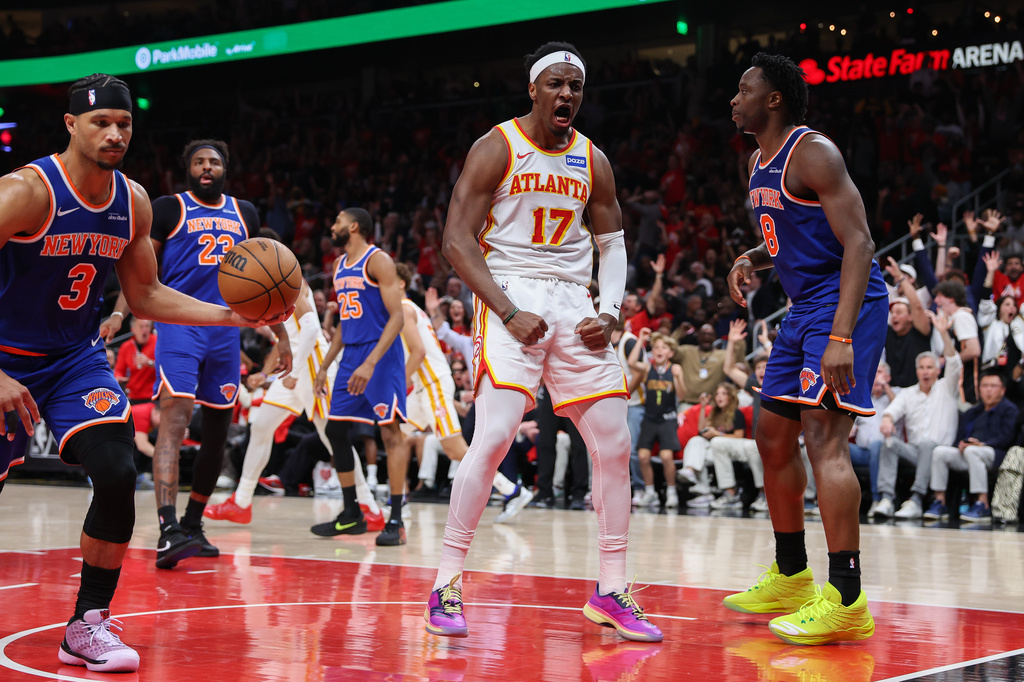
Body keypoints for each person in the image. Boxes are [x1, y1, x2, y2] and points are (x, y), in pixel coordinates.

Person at [0, 74, 287, 673]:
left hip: (73, 359)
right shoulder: (26, 191)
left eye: (124, 123)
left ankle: (87, 625)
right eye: (100, 121)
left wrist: (238, 315)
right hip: (5, 358)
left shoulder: (131, 200)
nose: (114, 133)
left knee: (115, 466)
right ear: (71, 125)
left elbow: (149, 293)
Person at [424, 41, 662, 643]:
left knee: (613, 441)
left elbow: (611, 246)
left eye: (575, 86)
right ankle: (447, 581)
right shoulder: (496, 146)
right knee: (497, 433)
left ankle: (612, 590)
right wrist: (505, 310)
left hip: (574, 300)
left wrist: (610, 314)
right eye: (555, 84)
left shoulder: (593, 159)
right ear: (533, 89)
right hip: (509, 292)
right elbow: (457, 239)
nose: (567, 95)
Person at [725, 54, 888, 645]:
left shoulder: (813, 152)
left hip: (847, 305)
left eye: (744, 89)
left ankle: (846, 596)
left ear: (773, 99)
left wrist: (842, 336)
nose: (734, 98)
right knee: (770, 436)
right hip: (803, 308)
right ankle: (792, 574)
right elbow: (797, 235)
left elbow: (860, 243)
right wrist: (754, 258)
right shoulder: (756, 162)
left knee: (824, 440)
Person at [104, 138, 292, 570]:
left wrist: (281, 336)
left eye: (213, 162)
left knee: (219, 430)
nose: (206, 168)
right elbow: (139, 272)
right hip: (179, 326)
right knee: (175, 417)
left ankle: (193, 524)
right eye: (199, 162)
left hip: (226, 331)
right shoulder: (169, 208)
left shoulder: (245, 212)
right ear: (188, 169)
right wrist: (120, 313)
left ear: (225, 169)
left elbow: (265, 283)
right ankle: (168, 529)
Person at [204, 230, 383, 530]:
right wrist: (266, 372)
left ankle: (369, 507)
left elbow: (311, 328)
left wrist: (298, 373)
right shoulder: (269, 283)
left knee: (332, 437)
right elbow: (286, 338)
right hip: (294, 367)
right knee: (261, 427)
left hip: (312, 365)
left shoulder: (288, 275)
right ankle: (242, 501)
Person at [394, 263, 530, 521]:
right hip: (423, 388)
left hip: (433, 385)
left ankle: (511, 490)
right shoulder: (407, 310)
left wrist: (397, 385)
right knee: (396, 437)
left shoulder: (404, 309)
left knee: (455, 448)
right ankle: (398, 502)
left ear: (400, 283)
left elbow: (418, 352)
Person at [311, 207, 411, 547]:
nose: (332, 225)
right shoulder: (339, 266)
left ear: (353, 227)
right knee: (336, 428)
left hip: (380, 356)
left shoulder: (378, 260)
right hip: (352, 352)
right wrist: (325, 366)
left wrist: (369, 363)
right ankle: (352, 513)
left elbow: (397, 317)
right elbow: (344, 324)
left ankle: (395, 520)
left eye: (337, 221)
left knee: (390, 434)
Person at [875, 315, 961, 520]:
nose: (925, 372)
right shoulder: (908, 393)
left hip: (940, 449)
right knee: (888, 443)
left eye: (929, 367)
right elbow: (892, 410)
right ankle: (886, 498)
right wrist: (887, 419)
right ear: (916, 371)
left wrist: (942, 332)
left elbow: (954, 362)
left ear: (938, 370)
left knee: (926, 444)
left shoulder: (946, 388)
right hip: (915, 452)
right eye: (921, 367)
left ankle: (916, 499)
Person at [926, 372, 1018, 523]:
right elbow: (958, 438)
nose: (988, 390)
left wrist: (982, 444)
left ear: (1003, 390)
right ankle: (940, 502)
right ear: (979, 389)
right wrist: (961, 444)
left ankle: (982, 504)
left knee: (973, 451)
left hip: (996, 454)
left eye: (993, 386)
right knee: (939, 452)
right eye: (985, 386)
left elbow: (1007, 438)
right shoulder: (972, 412)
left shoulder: (1010, 410)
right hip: (970, 453)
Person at [628, 328, 684, 508]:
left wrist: (678, 378)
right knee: (643, 456)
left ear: (671, 353)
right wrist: (641, 339)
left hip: (668, 418)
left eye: (664, 347)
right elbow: (631, 361)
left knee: (666, 456)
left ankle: (672, 491)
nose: (659, 350)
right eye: (657, 347)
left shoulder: (675, 369)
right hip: (650, 418)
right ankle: (650, 491)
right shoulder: (647, 368)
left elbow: (682, 396)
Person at [112, 317, 156, 403]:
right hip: (133, 394)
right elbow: (119, 370)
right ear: (133, 329)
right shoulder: (126, 346)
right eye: (141, 326)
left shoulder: (157, 342)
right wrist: (118, 377)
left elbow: (166, 366)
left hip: (153, 395)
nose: (145, 329)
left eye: (147, 326)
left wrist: (149, 362)